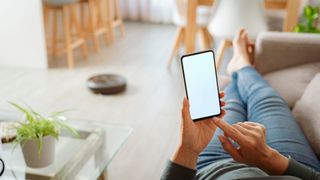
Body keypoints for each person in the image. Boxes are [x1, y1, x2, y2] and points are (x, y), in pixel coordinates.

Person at [161, 29, 320, 180]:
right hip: (289, 168)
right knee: (266, 99)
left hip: (212, 168)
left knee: (232, 103)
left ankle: (240, 67)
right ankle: (242, 66)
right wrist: (267, 158)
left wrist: (188, 149)